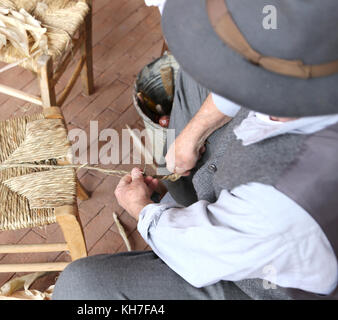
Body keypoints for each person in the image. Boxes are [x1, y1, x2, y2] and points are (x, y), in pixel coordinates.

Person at [52, 0, 338, 299]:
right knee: (196, 75)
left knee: (81, 288)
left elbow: (201, 252)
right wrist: (192, 133)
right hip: (255, 216)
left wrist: (143, 209)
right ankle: (186, 194)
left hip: (261, 284)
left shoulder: (287, 199)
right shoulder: (315, 63)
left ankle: (184, 202)